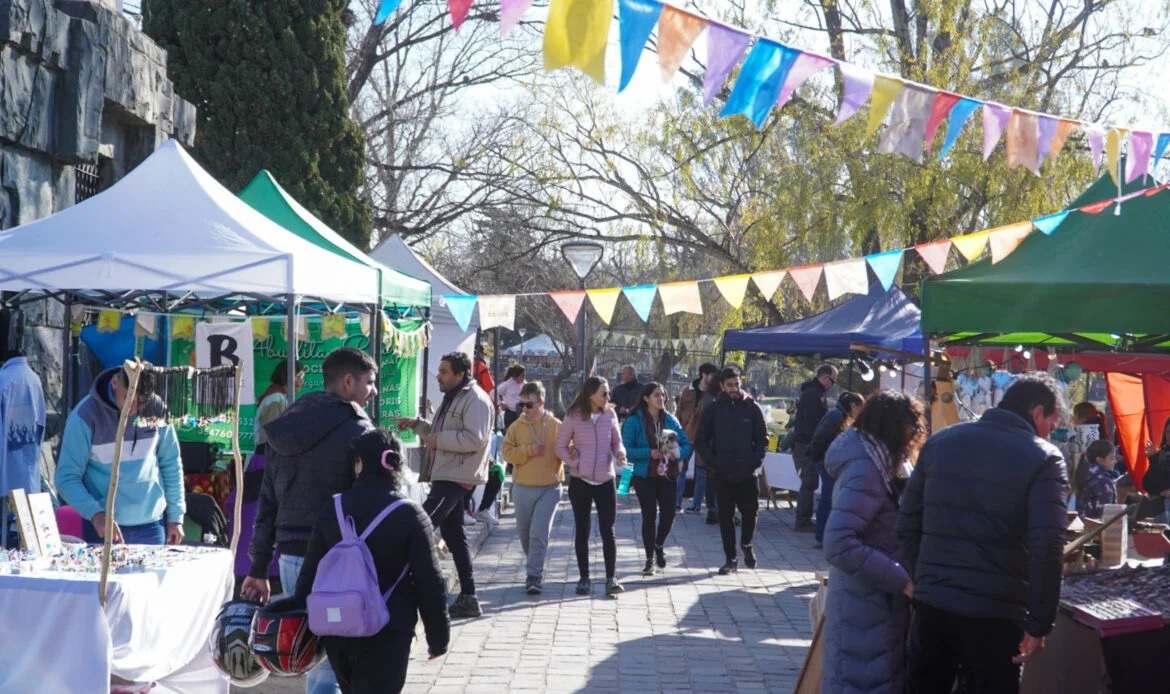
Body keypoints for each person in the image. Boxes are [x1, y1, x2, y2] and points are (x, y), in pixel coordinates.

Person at [898, 374, 1068, 693]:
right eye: (1051, 422)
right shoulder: (1045, 458)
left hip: (935, 606)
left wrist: (925, 578)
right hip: (996, 614)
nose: (1051, 432)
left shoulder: (940, 442)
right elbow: (1047, 546)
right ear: (1036, 413)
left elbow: (907, 523)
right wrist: (1040, 623)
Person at [243, 347, 377, 694]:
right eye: (369, 383)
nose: (373, 391)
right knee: (334, 661)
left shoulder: (288, 424)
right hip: (338, 560)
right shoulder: (359, 431)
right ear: (348, 382)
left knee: (315, 655)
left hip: (291, 561)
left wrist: (258, 567)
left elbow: (267, 504)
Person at [294, 430, 449, 694]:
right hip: (389, 629)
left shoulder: (333, 508)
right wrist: (438, 638)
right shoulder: (411, 514)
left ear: (360, 464)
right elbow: (429, 581)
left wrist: (300, 626)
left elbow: (311, 572)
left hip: (338, 628)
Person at [821, 390, 925, 693]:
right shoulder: (867, 469)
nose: (916, 437)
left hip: (873, 601)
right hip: (865, 603)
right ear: (894, 428)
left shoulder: (882, 462)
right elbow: (838, 543)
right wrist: (901, 580)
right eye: (913, 428)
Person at [399, 351, 493, 620]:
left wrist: (438, 440)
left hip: (457, 475)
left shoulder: (475, 399)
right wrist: (418, 426)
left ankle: (409, 588)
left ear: (460, 375)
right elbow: (443, 433)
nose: (438, 377)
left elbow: (474, 439)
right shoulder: (454, 396)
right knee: (453, 535)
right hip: (447, 472)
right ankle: (469, 597)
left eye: (443, 372)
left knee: (421, 524)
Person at [56, 363, 185, 545]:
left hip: (152, 525)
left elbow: (171, 464)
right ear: (115, 382)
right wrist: (96, 513)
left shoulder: (156, 409)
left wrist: (176, 517)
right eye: (129, 398)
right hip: (102, 526)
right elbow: (66, 478)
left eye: (141, 402)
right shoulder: (84, 416)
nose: (134, 408)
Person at [555, 376, 627, 597]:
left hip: (606, 480)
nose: (608, 397)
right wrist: (575, 462)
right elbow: (560, 446)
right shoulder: (573, 416)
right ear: (590, 395)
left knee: (608, 530)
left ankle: (610, 578)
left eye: (608, 393)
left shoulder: (610, 414)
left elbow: (616, 441)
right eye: (604, 393)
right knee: (583, 530)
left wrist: (620, 453)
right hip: (581, 481)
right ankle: (584, 577)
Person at [695, 366, 767, 574]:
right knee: (725, 517)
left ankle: (746, 543)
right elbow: (701, 440)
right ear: (721, 386)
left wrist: (754, 462)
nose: (734, 388)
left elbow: (762, 440)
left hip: (747, 473)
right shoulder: (713, 409)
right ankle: (730, 559)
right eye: (730, 385)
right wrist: (713, 463)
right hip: (722, 473)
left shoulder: (752, 408)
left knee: (750, 513)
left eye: (737, 384)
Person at [621, 382, 692, 577]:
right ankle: (649, 559)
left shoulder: (670, 420)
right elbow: (625, 449)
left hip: (667, 475)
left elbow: (687, 444)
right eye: (656, 395)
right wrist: (648, 453)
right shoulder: (634, 421)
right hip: (644, 475)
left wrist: (678, 454)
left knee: (669, 513)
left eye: (663, 395)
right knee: (649, 516)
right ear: (646, 398)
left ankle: (658, 544)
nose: (661, 399)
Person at [501, 382, 563, 594]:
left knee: (538, 533)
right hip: (522, 487)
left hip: (550, 487)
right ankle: (534, 565)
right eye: (522, 404)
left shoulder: (556, 424)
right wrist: (528, 450)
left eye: (529, 404)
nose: (525, 409)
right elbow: (506, 453)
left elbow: (568, 449)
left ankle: (534, 576)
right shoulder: (516, 427)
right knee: (525, 534)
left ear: (541, 402)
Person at [809, 391, 864, 549]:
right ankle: (821, 536)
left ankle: (823, 535)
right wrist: (821, 459)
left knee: (829, 497)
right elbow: (819, 437)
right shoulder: (836, 416)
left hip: (826, 460)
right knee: (828, 498)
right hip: (825, 461)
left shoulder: (839, 414)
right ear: (853, 406)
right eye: (860, 408)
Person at [791, 364, 838, 532]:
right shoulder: (813, 395)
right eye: (832, 380)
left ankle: (803, 518)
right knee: (809, 481)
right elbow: (812, 423)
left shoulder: (813, 392)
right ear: (825, 378)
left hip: (806, 443)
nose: (833, 384)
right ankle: (802, 519)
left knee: (809, 481)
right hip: (807, 444)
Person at [0, 350, 46, 500]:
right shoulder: (35, 379)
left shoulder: (4, 378)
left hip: (6, 454)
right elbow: (41, 419)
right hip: (30, 449)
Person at [678, 363, 717, 514]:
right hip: (687, 434)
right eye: (712, 374)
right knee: (680, 468)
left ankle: (696, 505)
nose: (714, 378)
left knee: (701, 473)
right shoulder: (688, 390)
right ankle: (676, 503)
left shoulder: (715, 393)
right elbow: (680, 410)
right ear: (704, 374)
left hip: (705, 437)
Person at [254, 360, 306, 452]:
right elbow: (272, 433)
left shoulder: (281, 396)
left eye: (302, 377)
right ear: (285, 375)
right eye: (298, 376)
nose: (301, 381)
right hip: (268, 453)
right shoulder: (276, 398)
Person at [1075, 439, 1117, 520]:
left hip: (1083, 523)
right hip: (1097, 527)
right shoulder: (1103, 481)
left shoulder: (1086, 474)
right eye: (1111, 458)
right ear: (1100, 460)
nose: (1115, 461)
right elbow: (1105, 513)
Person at [1143, 420, 1170, 522]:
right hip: (1159, 504)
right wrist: (1153, 459)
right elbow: (1148, 484)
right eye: (1168, 432)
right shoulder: (1161, 454)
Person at [494, 364, 526, 430]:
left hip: (522, 413)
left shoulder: (524, 383)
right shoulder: (507, 384)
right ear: (515, 376)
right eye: (522, 376)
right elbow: (493, 393)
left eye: (524, 376)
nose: (523, 378)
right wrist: (500, 403)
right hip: (511, 414)